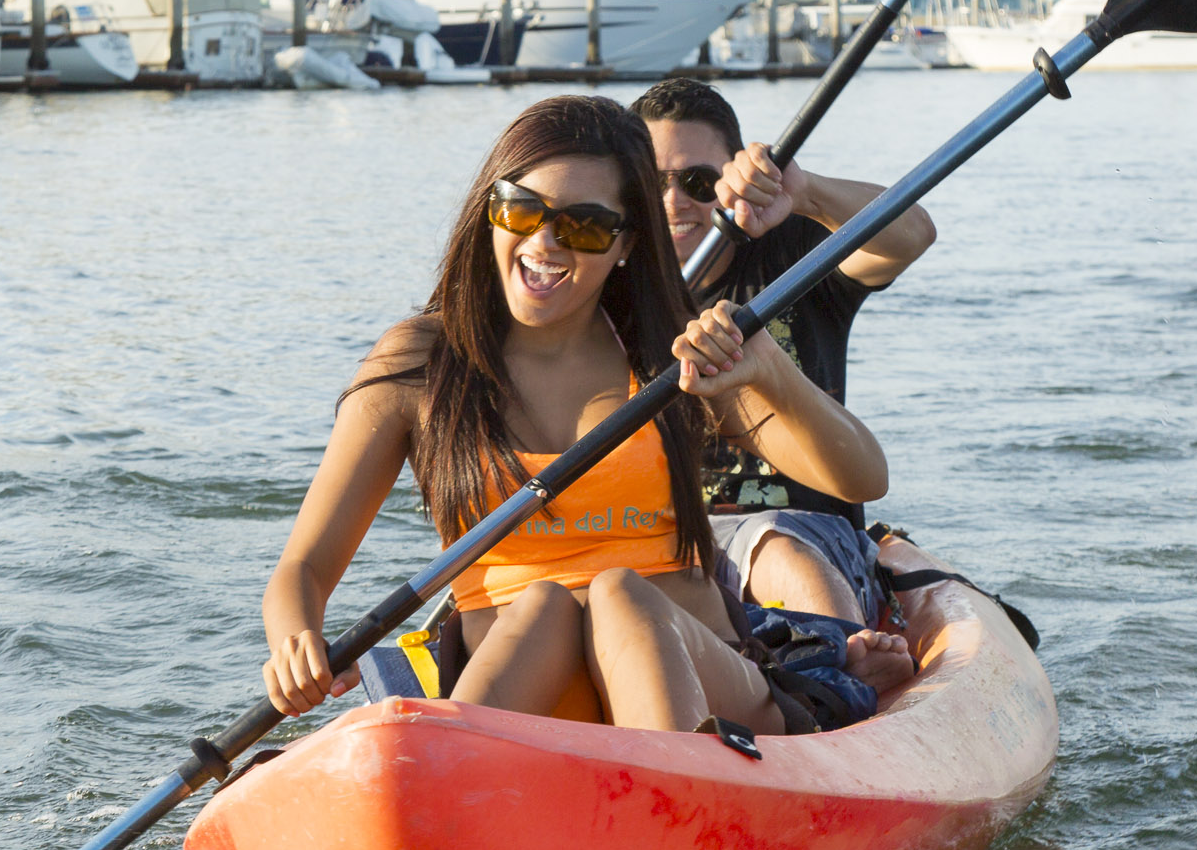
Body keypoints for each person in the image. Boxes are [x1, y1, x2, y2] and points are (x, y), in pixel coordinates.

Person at [259, 94, 909, 736]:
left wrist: (770, 370)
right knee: (543, 605)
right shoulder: (418, 362)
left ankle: (674, 795)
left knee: (620, 597)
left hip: (700, 673)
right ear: (489, 210)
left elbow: (862, 479)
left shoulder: (668, 349)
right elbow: (304, 570)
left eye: (584, 226)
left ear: (627, 243)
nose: (543, 243)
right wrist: (295, 641)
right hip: (525, 683)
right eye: (519, 210)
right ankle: (441, 776)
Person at [633, 78, 936, 670]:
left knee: (777, 546)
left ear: (734, 180)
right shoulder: (609, 279)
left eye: (699, 183)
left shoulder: (794, 250)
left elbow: (912, 235)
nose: (674, 202)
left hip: (802, 527)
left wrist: (805, 193)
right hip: (659, 533)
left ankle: (846, 671)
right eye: (653, 183)